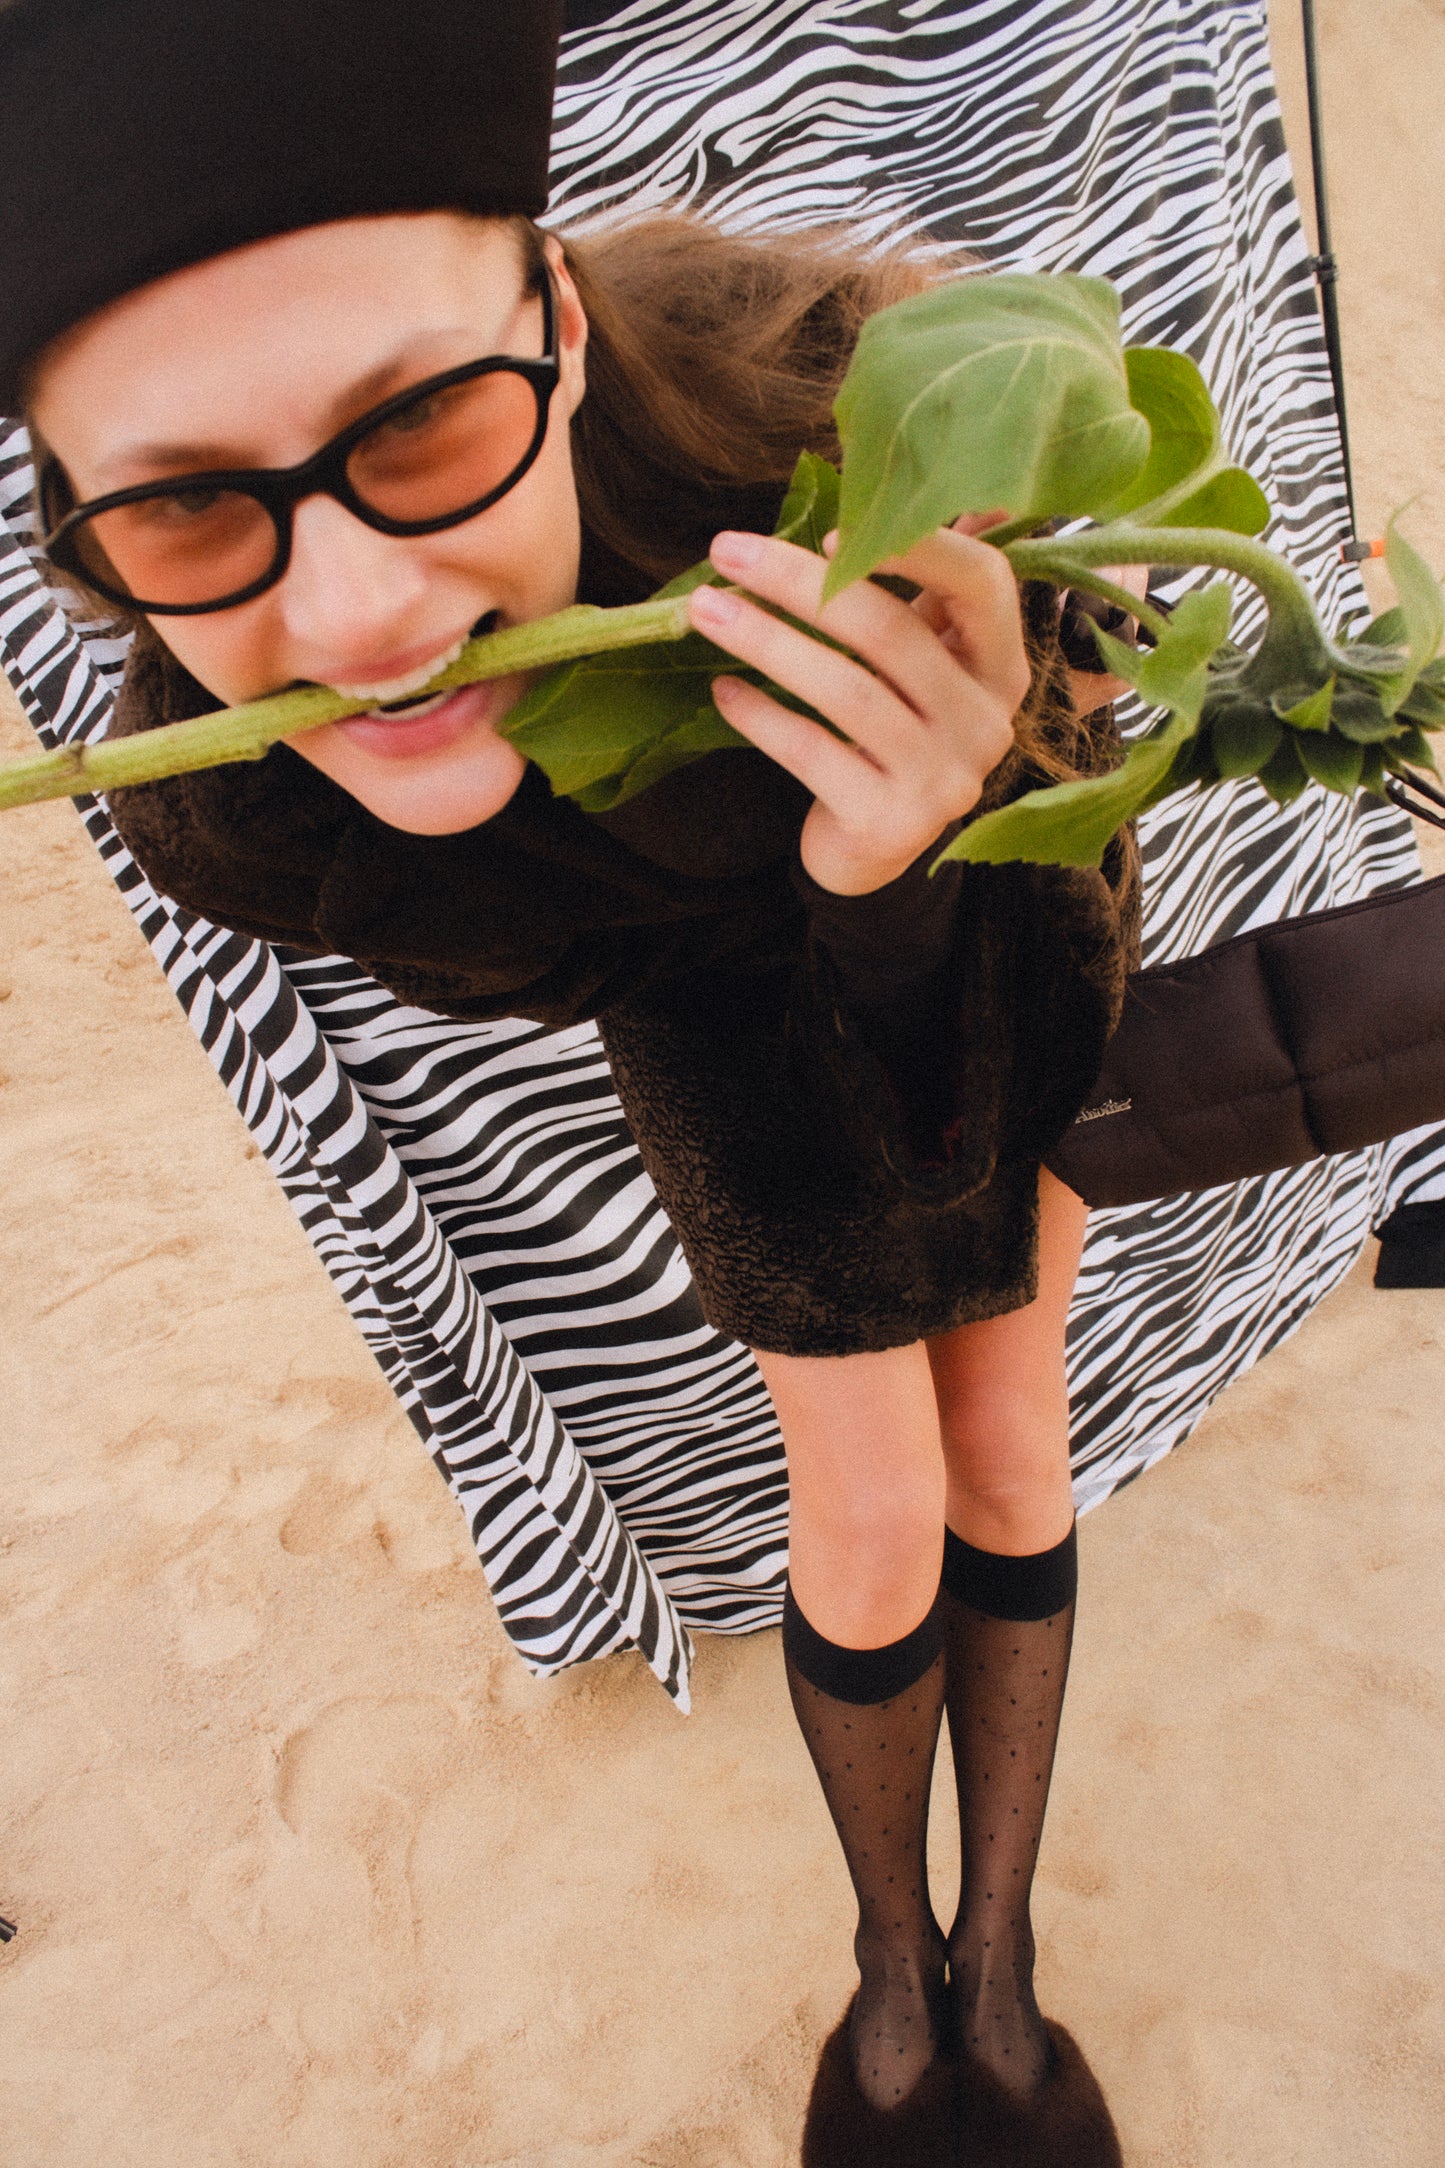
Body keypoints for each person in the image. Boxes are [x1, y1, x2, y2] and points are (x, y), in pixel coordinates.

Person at [0, 3, 1140, 2160]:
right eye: (178, 508)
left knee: (1006, 1431)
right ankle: (894, 1976)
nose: (352, 612)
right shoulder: (233, 806)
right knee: (876, 1508)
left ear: (557, 319)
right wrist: (790, 916)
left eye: (424, 419)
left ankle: (1002, 1951)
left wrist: (943, 834)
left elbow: (1099, 761)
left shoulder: (834, 401)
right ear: (76, 513)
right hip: (711, 999)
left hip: (1007, 892)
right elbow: (573, 971)